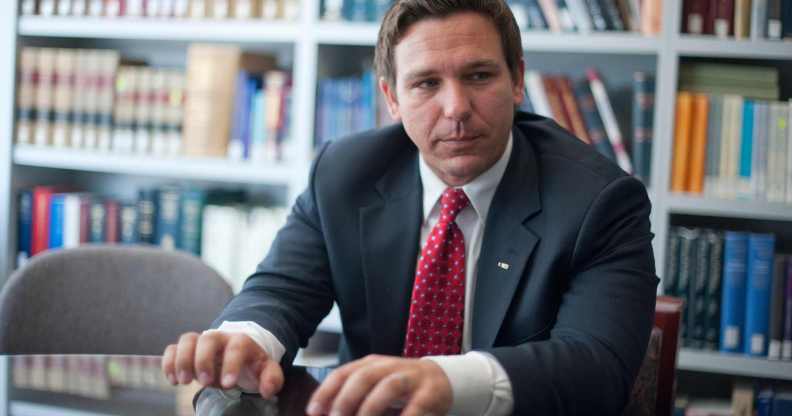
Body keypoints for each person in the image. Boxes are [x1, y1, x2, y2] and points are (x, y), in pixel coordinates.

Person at [162, 1, 659, 415]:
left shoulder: (599, 202)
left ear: (517, 80)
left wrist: (445, 380)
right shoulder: (345, 173)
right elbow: (282, 288)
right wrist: (246, 339)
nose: (456, 108)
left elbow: (597, 367)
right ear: (392, 98)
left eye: (479, 75)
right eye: (426, 83)